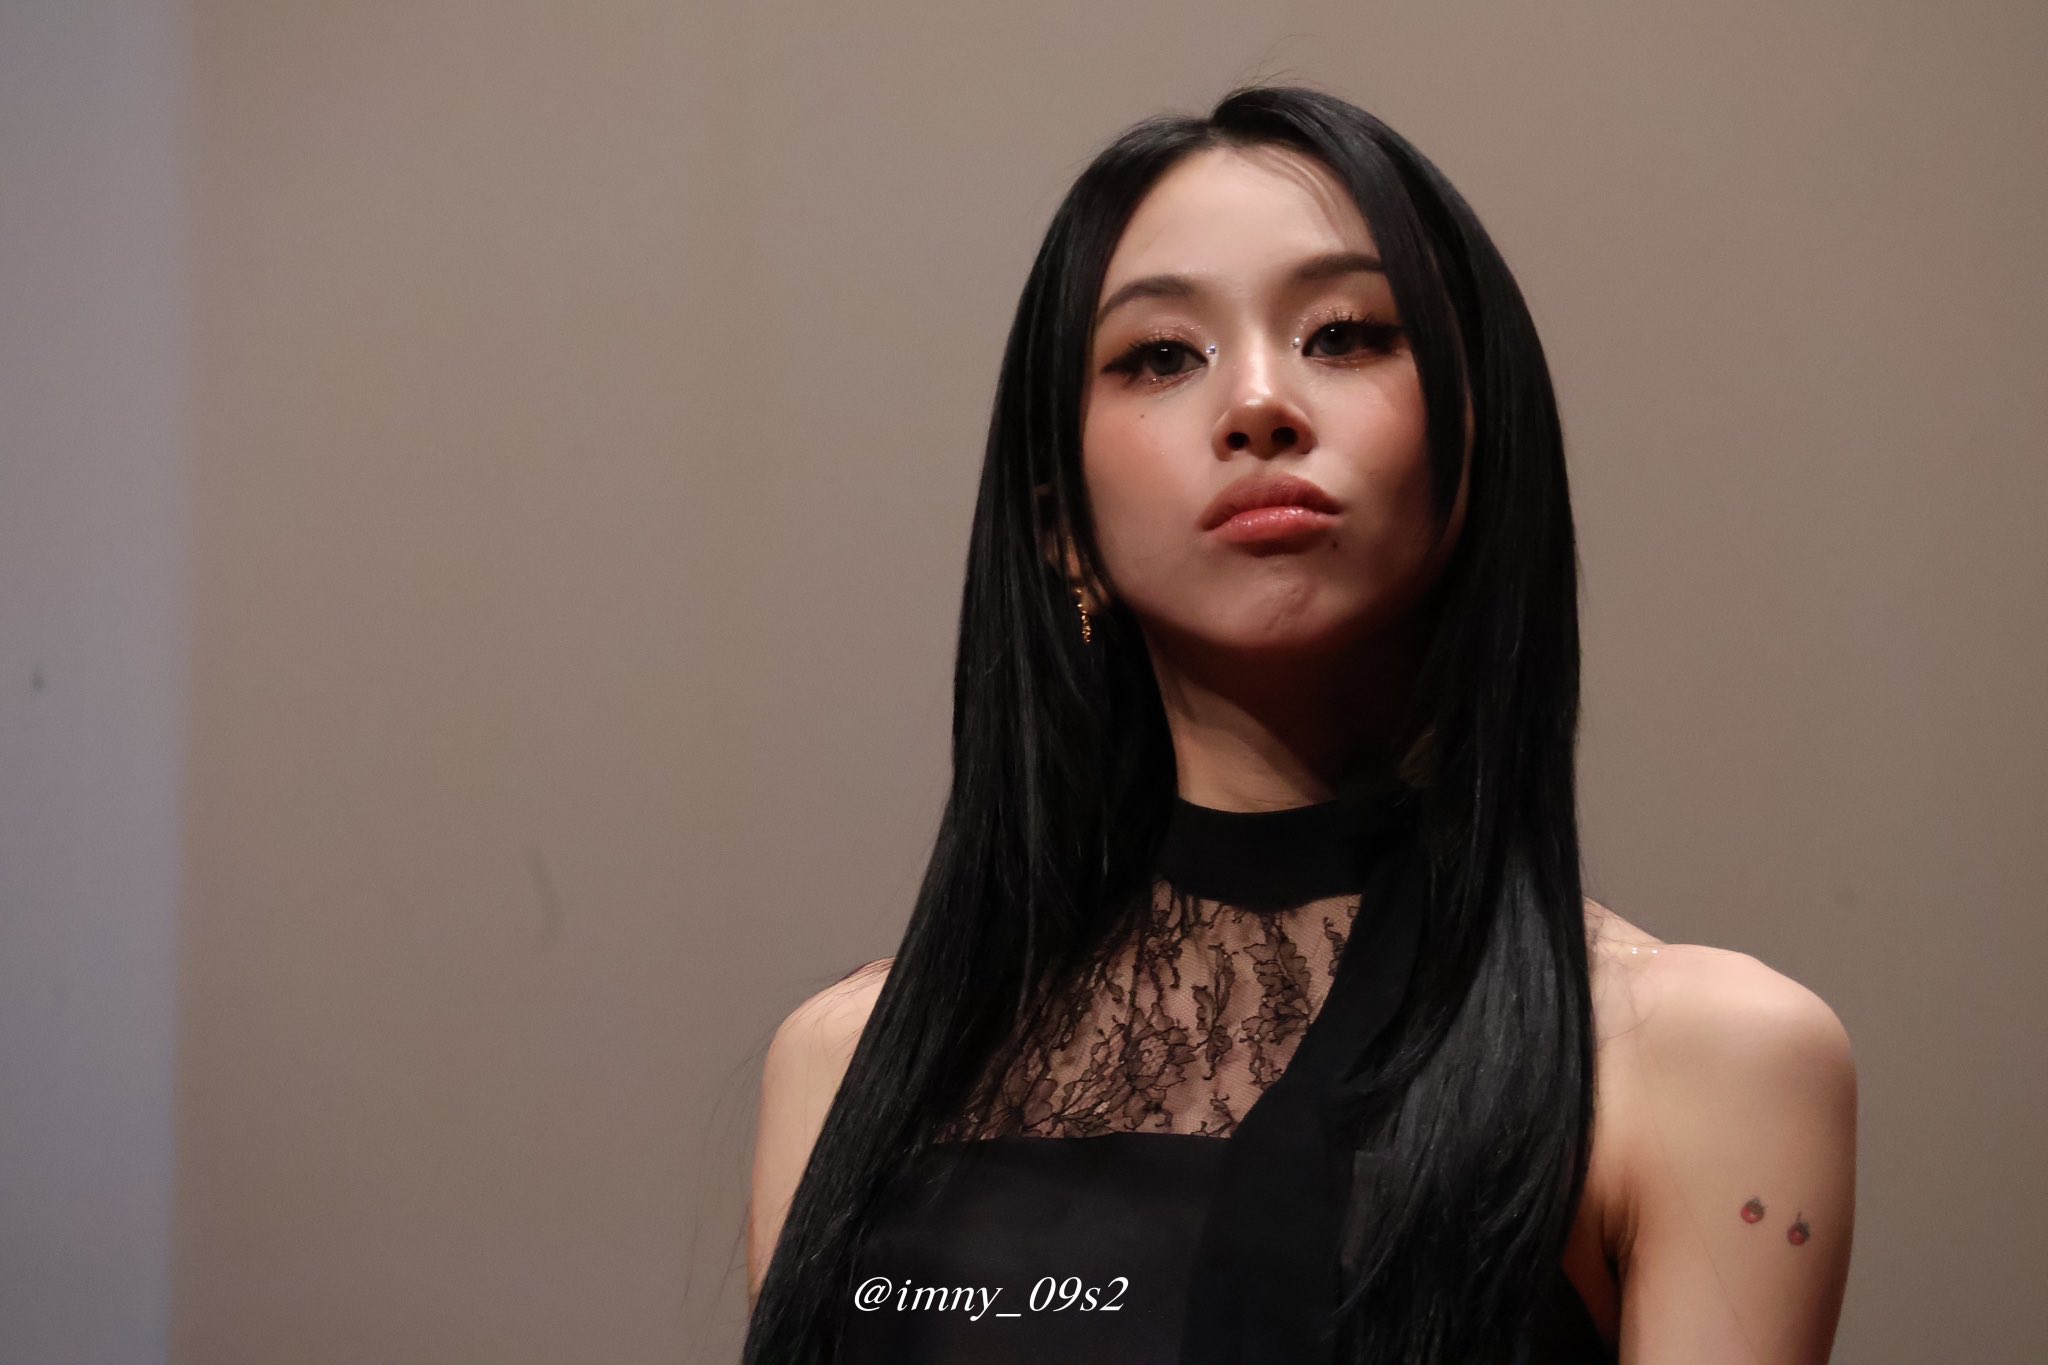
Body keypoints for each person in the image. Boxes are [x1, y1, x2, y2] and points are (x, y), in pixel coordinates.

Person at [742, 83, 1857, 1364]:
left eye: (1344, 334)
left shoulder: (1705, 1060)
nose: (1258, 403)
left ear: (1475, 452)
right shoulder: (846, 1064)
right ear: (1063, 531)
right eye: (1160, 356)